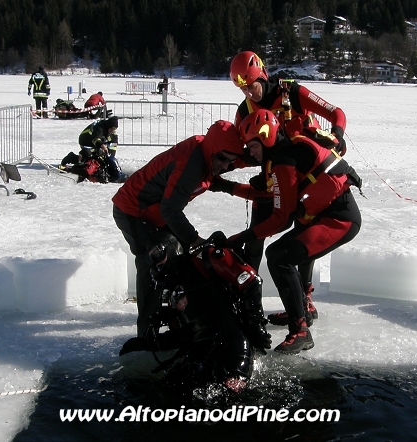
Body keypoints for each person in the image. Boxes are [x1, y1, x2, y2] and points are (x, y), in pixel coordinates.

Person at [224, 50, 350, 321]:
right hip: (272, 180)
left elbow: (335, 112)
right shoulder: (243, 110)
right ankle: (249, 303)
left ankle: (304, 301)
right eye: (242, 89)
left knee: (303, 238)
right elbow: (244, 150)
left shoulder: (290, 92)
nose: (249, 93)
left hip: (306, 180)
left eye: (252, 86)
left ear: (263, 75)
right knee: (255, 238)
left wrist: (337, 135)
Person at [222, 109, 362, 353]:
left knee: (280, 256)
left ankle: (300, 331)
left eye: (252, 146)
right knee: (282, 254)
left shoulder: (284, 160)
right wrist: (225, 186)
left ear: (265, 137)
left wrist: (241, 238)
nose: (251, 153)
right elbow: (269, 196)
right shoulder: (283, 155)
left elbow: (281, 219)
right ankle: (298, 313)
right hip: (326, 215)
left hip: (340, 220)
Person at [112, 120, 244, 339]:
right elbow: (171, 210)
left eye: (231, 163)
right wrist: (195, 239)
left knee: (183, 258)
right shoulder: (191, 164)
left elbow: (245, 159)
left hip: (157, 213)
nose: (225, 166)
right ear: (212, 150)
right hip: (133, 210)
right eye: (222, 159)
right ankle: (147, 330)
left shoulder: (209, 156)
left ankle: (179, 315)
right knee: (156, 258)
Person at [120, 231, 271, 393]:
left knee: (227, 397)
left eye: (157, 254)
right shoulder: (170, 290)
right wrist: (152, 341)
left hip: (233, 348)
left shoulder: (206, 260)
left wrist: (256, 327)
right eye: (150, 258)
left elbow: (250, 281)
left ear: (172, 248)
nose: (156, 262)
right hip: (201, 353)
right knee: (169, 392)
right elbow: (185, 333)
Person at [60, 116, 125, 182]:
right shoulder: (100, 127)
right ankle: (73, 158)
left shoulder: (112, 133)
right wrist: (102, 146)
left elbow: (113, 145)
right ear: (108, 126)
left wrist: (110, 157)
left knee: (101, 159)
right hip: (86, 141)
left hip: (96, 143)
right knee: (89, 157)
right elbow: (95, 139)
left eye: (114, 129)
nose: (112, 130)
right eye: (112, 128)